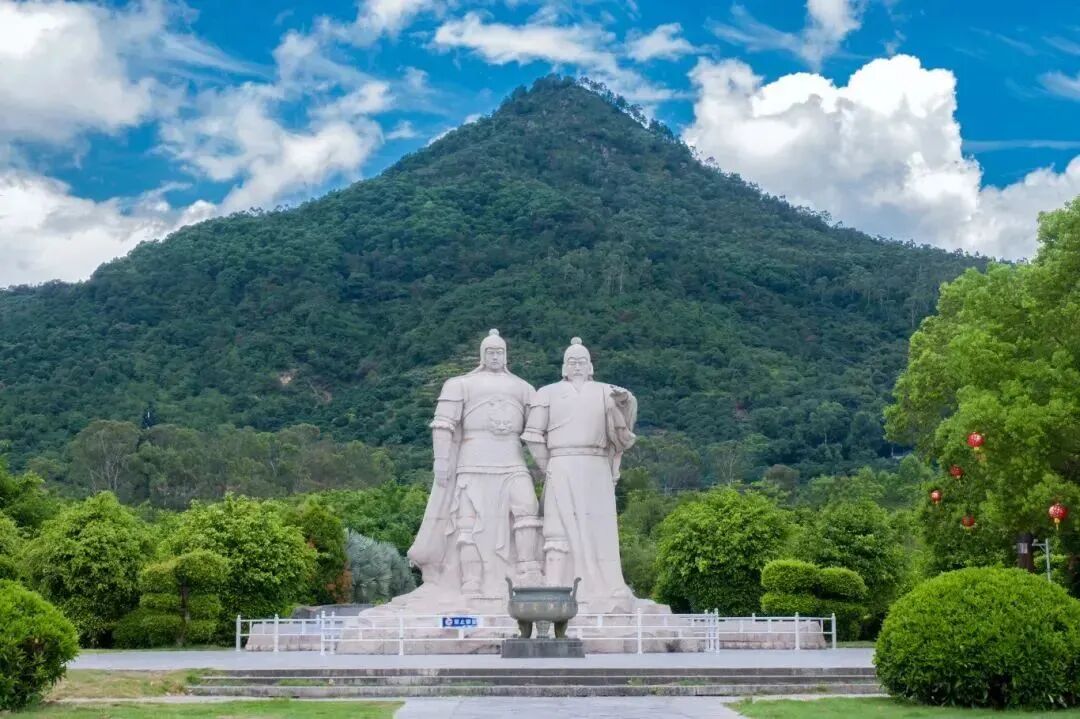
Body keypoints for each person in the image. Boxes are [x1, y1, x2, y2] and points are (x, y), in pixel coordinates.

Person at [407, 329, 543, 599]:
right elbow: (443, 424)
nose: (495, 356)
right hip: (473, 464)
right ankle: (471, 580)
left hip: (512, 461)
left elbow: (538, 431)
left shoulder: (524, 388)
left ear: (506, 355)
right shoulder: (459, 384)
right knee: (467, 525)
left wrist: (549, 464)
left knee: (528, 509)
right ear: (482, 354)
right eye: (490, 352)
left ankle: (528, 569)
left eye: (500, 352)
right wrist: (441, 460)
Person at [521, 337, 638, 613]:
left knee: (601, 529)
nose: (577, 366)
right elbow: (532, 435)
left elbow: (624, 426)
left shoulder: (605, 391)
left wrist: (624, 401)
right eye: (572, 362)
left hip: (596, 465)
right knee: (557, 528)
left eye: (582, 361)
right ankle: (555, 585)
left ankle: (606, 585)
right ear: (564, 366)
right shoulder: (547, 393)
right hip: (561, 463)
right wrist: (548, 466)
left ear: (590, 366)